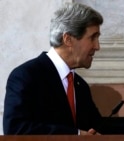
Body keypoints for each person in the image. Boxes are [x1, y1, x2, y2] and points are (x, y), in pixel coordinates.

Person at [3, 2, 104, 135]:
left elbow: (96, 129)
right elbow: (16, 129)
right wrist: (76, 135)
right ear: (68, 39)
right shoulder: (26, 76)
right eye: (93, 38)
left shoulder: (81, 86)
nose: (97, 46)